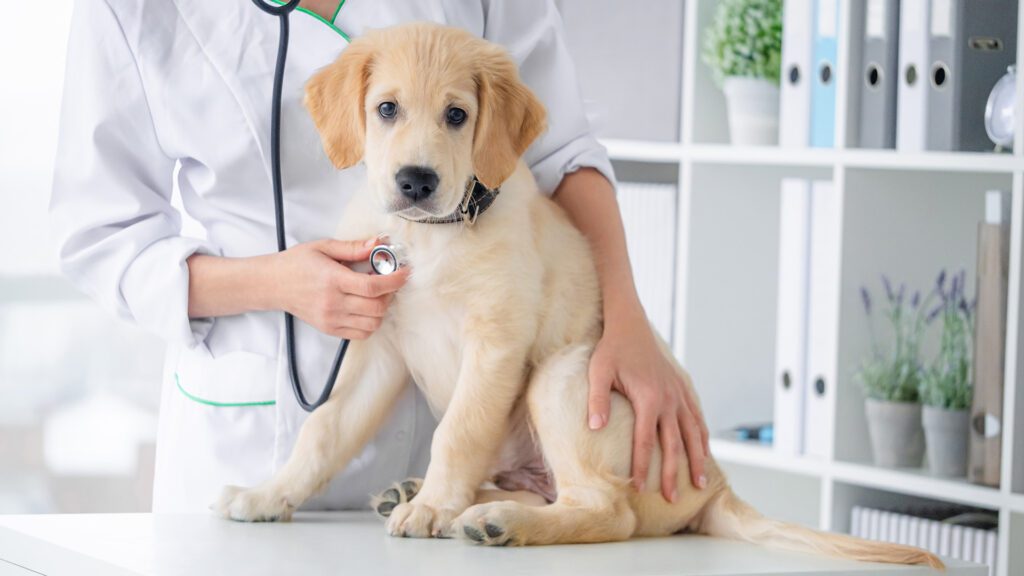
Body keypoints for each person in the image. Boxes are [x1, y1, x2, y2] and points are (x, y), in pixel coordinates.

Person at [50, 0, 708, 513]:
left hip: (456, 436)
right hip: (249, 426)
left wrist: (627, 324)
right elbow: (102, 232)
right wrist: (273, 283)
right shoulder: (133, 9)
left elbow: (559, 153)